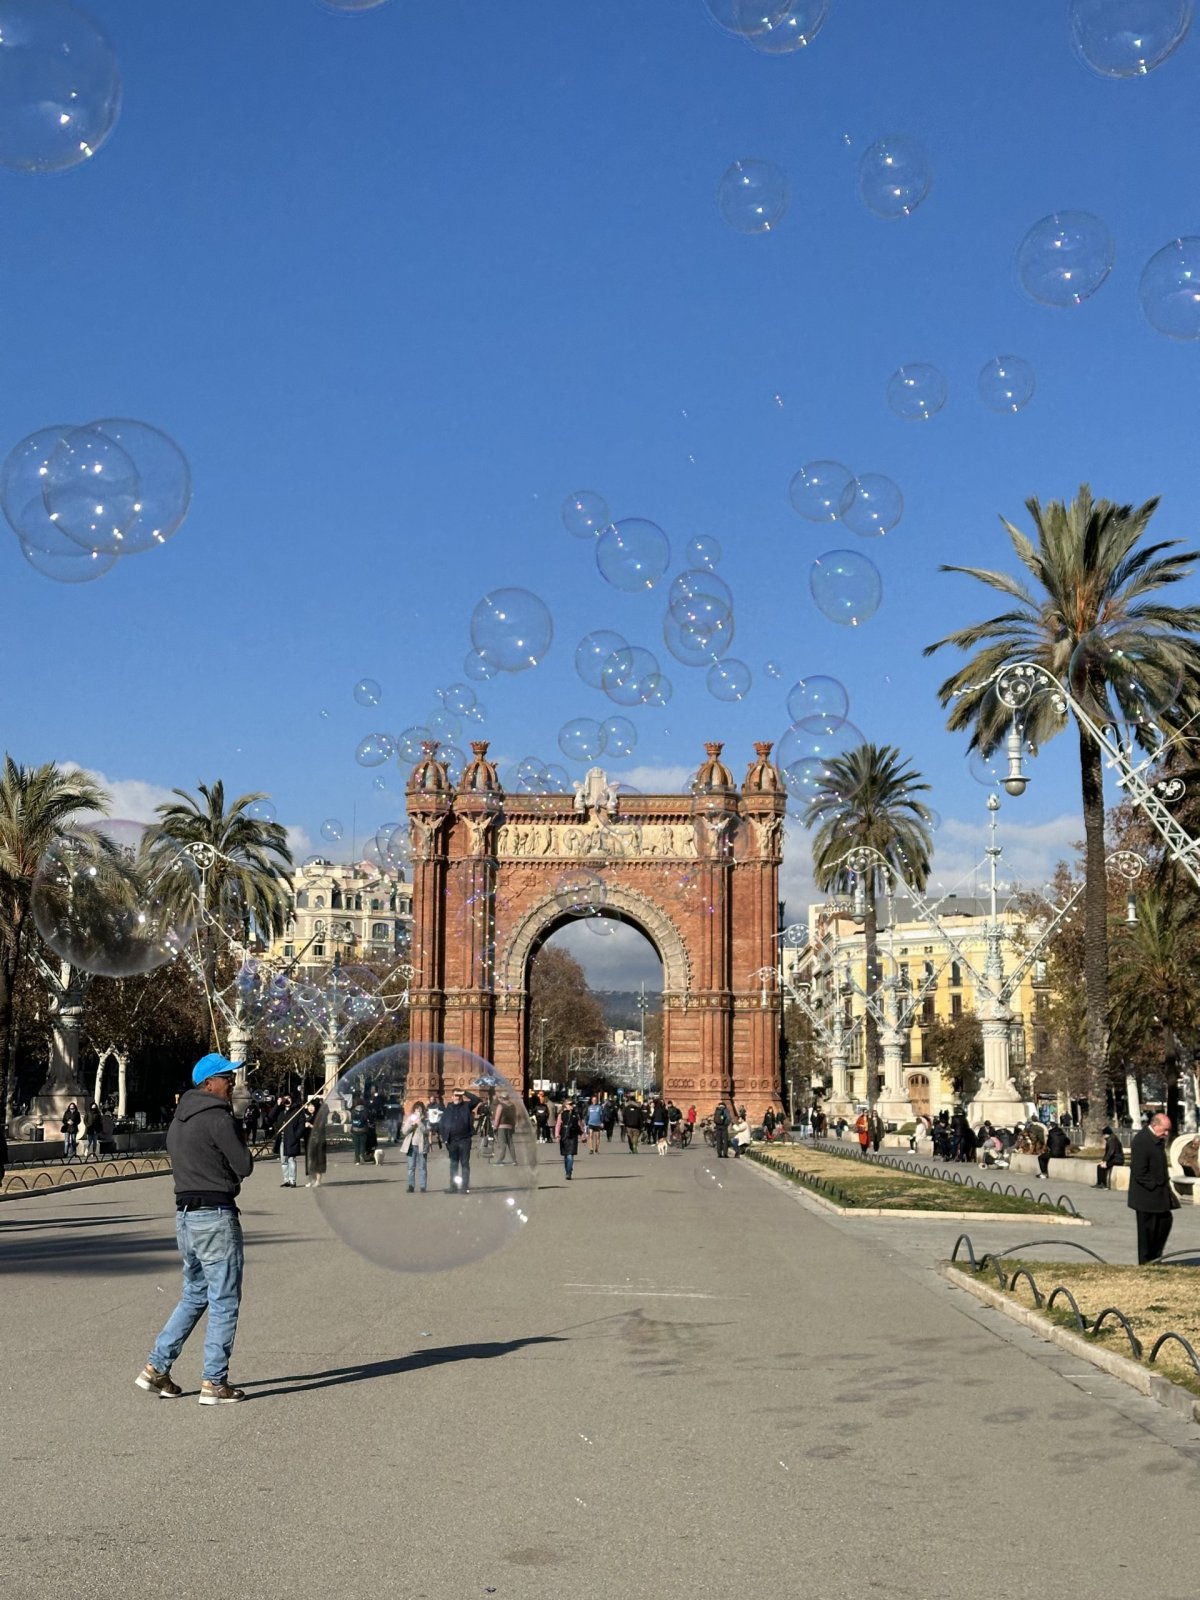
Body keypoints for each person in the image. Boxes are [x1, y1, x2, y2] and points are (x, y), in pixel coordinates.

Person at [136, 1053, 254, 1404]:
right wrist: (238, 1128)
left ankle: (156, 1368)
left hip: (185, 1217)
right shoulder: (219, 1119)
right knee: (224, 1300)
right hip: (216, 1216)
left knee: (194, 1294)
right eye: (226, 1077)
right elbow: (244, 1165)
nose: (232, 1082)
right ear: (208, 1084)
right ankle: (214, 1382)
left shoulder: (179, 1121)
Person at [1128, 1111, 1175, 1264]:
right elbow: (1138, 1171)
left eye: (1168, 1130)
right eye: (1165, 1130)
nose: (1167, 1134)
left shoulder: (1155, 1138)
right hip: (1147, 1196)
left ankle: (1156, 1257)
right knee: (1147, 1231)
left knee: (1165, 1222)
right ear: (1155, 1126)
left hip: (1158, 1194)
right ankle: (1146, 1262)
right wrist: (1154, 1184)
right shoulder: (1142, 1140)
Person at [440, 1085, 480, 1192]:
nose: (456, 1097)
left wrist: (464, 1092)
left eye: (458, 1095)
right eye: (455, 1095)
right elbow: (442, 1124)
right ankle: (453, 1187)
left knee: (464, 1164)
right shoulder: (448, 1109)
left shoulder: (466, 1106)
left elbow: (477, 1100)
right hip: (452, 1141)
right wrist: (444, 1138)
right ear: (451, 1097)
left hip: (465, 1140)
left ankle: (464, 1187)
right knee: (453, 1164)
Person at [400, 1100, 429, 1193]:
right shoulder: (409, 1119)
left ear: (422, 1110)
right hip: (411, 1146)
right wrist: (411, 1125)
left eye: (419, 1110)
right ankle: (411, 1185)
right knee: (411, 1167)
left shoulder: (426, 1119)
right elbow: (404, 1131)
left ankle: (423, 1186)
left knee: (422, 1167)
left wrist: (419, 1123)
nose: (418, 1112)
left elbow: (427, 1131)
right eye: (416, 1110)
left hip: (421, 1146)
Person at [304, 1100, 327, 1188]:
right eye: (309, 1106)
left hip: (318, 1141)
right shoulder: (308, 1116)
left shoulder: (320, 1116)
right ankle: (312, 1180)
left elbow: (320, 1128)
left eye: (313, 1106)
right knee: (310, 1161)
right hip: (309, 1141)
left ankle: (318, 1180)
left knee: (318, 1161)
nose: (311, 1108)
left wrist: (310, 1126)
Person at [1095, 1124, 1126, 1189]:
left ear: (1106, 1134)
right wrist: (1103, 1160)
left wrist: (1105, 1161)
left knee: (1103, 1167)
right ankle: (1099, 1183)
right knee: (1099, 1166)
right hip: (1113, 1158)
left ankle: (1103, 1184)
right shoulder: (1110, 1139)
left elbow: (1111, 1152)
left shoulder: (1112, 1140)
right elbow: (1107, 1153)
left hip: (1117, 1159)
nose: (1103, 1136)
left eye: (1104, 1134)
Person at [491, 1094, 518, 1165]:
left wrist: (495, 1126)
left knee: (502, 1144)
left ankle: (500, 1160)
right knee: (510, 1143)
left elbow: (497, 1117)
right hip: (510, 1126)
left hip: (501, 1126)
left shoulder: (500, 1106)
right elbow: (514, 1117)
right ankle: (514, 1160)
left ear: (502, 1098)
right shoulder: (513, 1106)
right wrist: (513, 1126)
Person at [558, 1100, 581, 1179]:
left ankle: (568, 1173)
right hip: (564, 1135)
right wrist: (557, 1135)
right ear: (565, 1105)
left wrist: (583, 1135)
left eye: (572, 1104)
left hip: (573, 1136)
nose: (572, 1105)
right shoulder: (561, 1115)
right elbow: (558, 1125)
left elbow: (579, 1125)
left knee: (570, 1155)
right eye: (570, 1104)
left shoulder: (576, 1115)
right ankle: (568, 1169)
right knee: (565, 1155)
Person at [349, 1095, 373, 1165]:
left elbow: (352, 1119)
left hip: (355, 1129)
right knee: (362, 1144)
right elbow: (370, 1119)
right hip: (363, 1130)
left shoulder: (353, 1110)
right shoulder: (366, 1110)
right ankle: (362, 1156)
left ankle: (357, 1161)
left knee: (356, 1145)